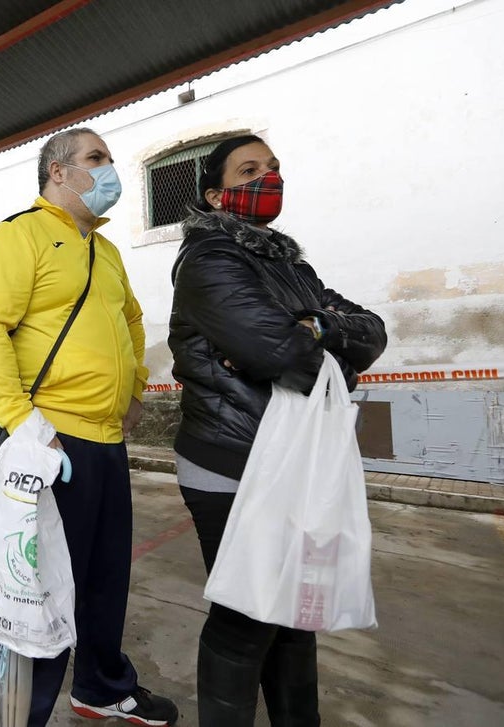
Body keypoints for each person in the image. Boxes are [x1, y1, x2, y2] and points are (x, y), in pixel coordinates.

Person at [168, 134, 387, 726]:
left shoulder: (291, 264)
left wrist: (317, 328)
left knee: (295, 613)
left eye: (273, 167)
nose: (268, 177)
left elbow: (373, 330)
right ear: (215, 195)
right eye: (249, 170)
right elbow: (279, 353)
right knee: (247, 617)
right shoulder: (209, 259)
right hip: (233, 457)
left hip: (298, 454)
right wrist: (325, 344)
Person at [0, 127, 179, 726]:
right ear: (59, 172)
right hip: (49, 442)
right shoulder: (19, 236)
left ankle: (101, 686)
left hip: (107, 443)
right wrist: (24, 426)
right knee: (33, 594)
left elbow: (133, 322)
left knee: (106, 579)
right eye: (97, 159)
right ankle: (10, 719)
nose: (109, 169)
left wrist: (135, 390)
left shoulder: (105, 252)